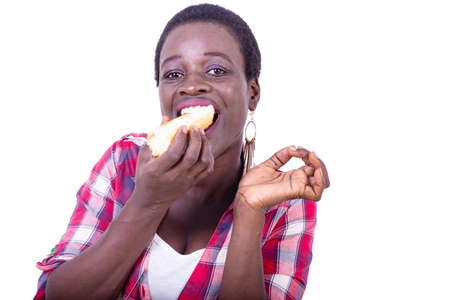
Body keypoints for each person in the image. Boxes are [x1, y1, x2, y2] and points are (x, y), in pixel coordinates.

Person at [34, 3, 330, 300]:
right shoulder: (123, 160)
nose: (191, 86)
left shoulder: (282, 202)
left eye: (216, 70)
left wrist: (249, 211)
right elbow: (57, 295)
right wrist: (148, 201)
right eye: (174, 74)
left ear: (252, 93)